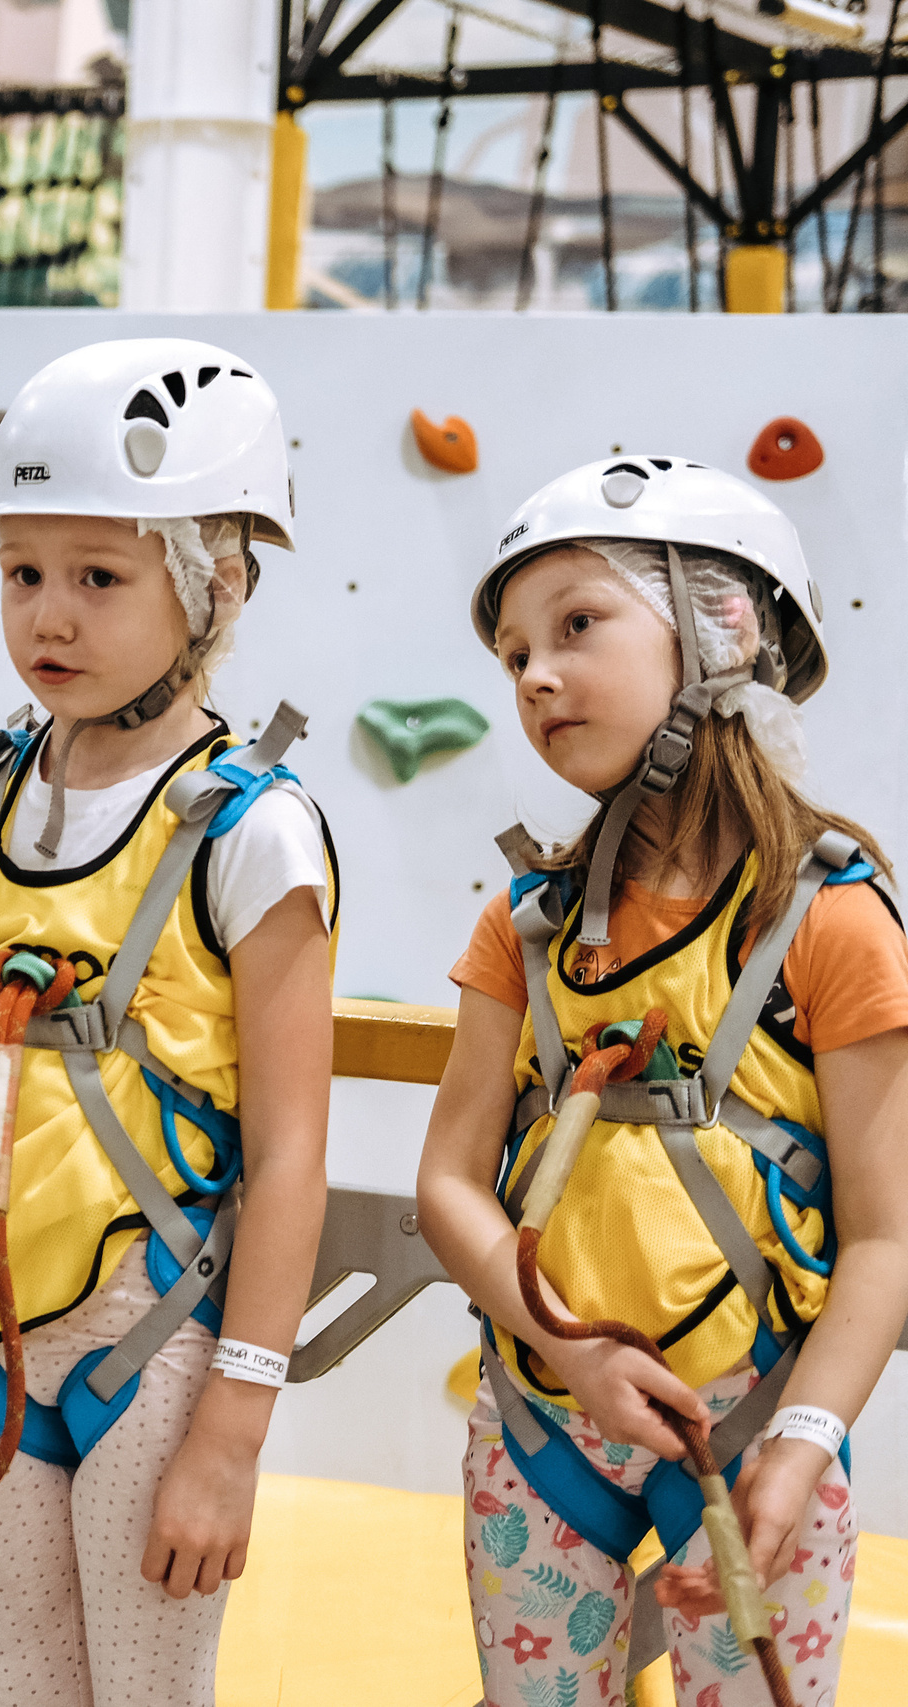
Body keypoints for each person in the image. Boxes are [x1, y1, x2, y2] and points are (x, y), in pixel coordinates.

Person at [0, 339, 337, 1706]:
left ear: (213, 582)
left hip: (154, 1343)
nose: (47, 617)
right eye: (23, 571)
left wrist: (233, 1423)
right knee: (16, 1685)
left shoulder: (256, 830)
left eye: (97, 577)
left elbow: (293, 1150)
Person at [416, 457, 908, 1706]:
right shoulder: (523, 929)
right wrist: (564, 1352)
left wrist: (800, 1449)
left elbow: (888, 1235)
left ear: (721, 632)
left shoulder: (830, 924)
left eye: (577, 625)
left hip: (758, 1429)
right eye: (514, 651)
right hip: (538, 1418)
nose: (533, 674)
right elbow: (448, 1186)